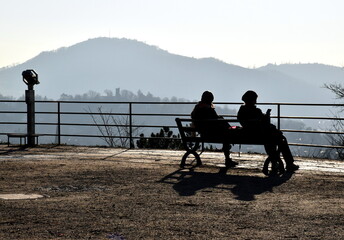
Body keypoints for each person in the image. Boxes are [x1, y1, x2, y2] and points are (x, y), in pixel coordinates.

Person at [237, 90, 299, 173]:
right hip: (260, 135)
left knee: (274, 139)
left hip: (248, 134)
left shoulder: (241, 110)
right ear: (252, 100)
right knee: (281, 139)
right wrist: (267, 116)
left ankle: (275, 162)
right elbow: (265, 123)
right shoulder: (256, 111)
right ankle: (288, 163)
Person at [191, 91, 238, 168]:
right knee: (226, 134)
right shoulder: (208, 110)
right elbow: (215, 120)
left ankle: (230, 134)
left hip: (203, 133)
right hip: (210, 134)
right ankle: (227, 159)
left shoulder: (197, 109)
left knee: (225, 128)